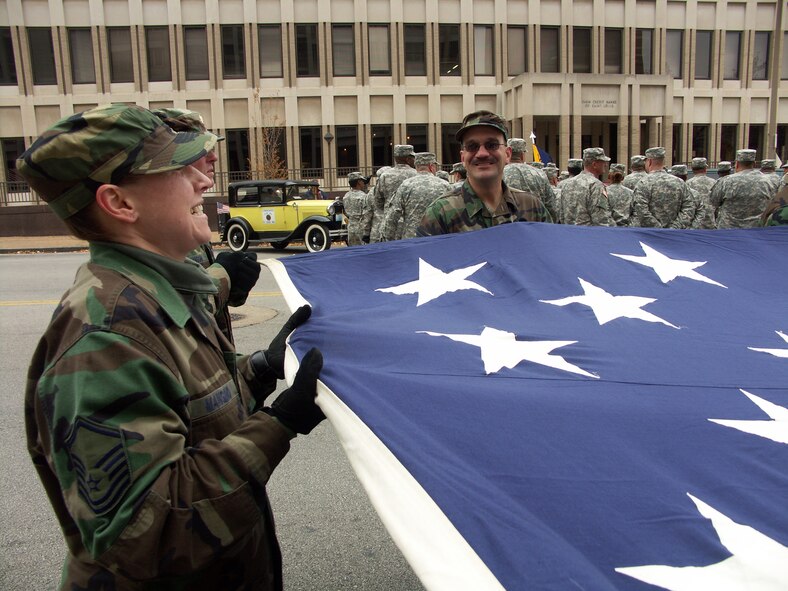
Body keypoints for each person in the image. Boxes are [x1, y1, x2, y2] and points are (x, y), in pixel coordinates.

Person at [17, 104, 326, 590]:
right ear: (120, 203)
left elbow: (195, 415)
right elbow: (151, 533)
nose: (203, 181)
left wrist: (261, 370)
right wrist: (279, 425)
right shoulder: (108, 336)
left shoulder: (156, 294)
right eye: (179, 169)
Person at [154, 107, 260, 344]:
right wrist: (223, 276)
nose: (213, 157)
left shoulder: (189, 213)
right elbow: (172, 316)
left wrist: (256, 369)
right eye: (200, 150)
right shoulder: (159, 225)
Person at [416, 110, 551, 236]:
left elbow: (550, 255)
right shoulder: (440, 214)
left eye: (492, 145)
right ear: (463, 157)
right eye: (472, 146)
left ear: (507, 154)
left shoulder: (533, 208)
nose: (482, 154)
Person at [381, 152, 450, 241]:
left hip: (411, 239)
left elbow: (393, 214)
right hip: (437, 239)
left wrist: (388, 238)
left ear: (416, 166)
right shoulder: (445, 185)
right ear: (431, 166)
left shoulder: (405, 185)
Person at [632, 146, 694, 228]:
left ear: (649, 161)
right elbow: (689, 207)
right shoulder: (680, 182)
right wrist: (675, 227)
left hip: (650, 235)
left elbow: (641, 210)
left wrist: (658, 229)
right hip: (675, 235)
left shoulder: (643, 183)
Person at [712, 149, 774, 228]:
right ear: (754, 164)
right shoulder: (768, 181)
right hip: (756, 230)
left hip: (728, 231)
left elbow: (713, 202)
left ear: (737, 164)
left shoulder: (726, 181)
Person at [558, 147, 616, 226]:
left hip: (569, 233)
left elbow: (561, 214)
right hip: (588, 234)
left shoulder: (566, 184)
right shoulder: (595, 184)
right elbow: (600, 218)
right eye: (603, 162)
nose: (606, 165)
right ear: (594, 164)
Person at [370, 145, 416, 242]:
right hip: (409, 226)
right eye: (413, 158)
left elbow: (378, 202)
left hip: (389, 225)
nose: (414, 160)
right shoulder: (415, 174)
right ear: (408, 159)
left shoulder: (385, 176)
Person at [503, 138, 557, 220]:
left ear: (507, 153)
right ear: (522, 155)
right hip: (534, 226)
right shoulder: (539, 174)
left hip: (506, 225)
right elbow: (551, 207)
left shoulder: (499, 174)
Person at [669, 164, 714, 229]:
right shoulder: (694, 193)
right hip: (690, 231)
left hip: (670, 232)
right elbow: (701, 212)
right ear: (686, 176)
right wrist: (692, 228)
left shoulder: (668, 193)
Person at [342, 171, 369, 246]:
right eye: (362, 181)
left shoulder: (346, 196)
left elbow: (346, 212)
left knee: (353, 251)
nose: (364, 183)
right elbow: (367, 215)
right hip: (361, 228)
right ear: (359, 182)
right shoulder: (363, 197)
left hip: (350, 228)